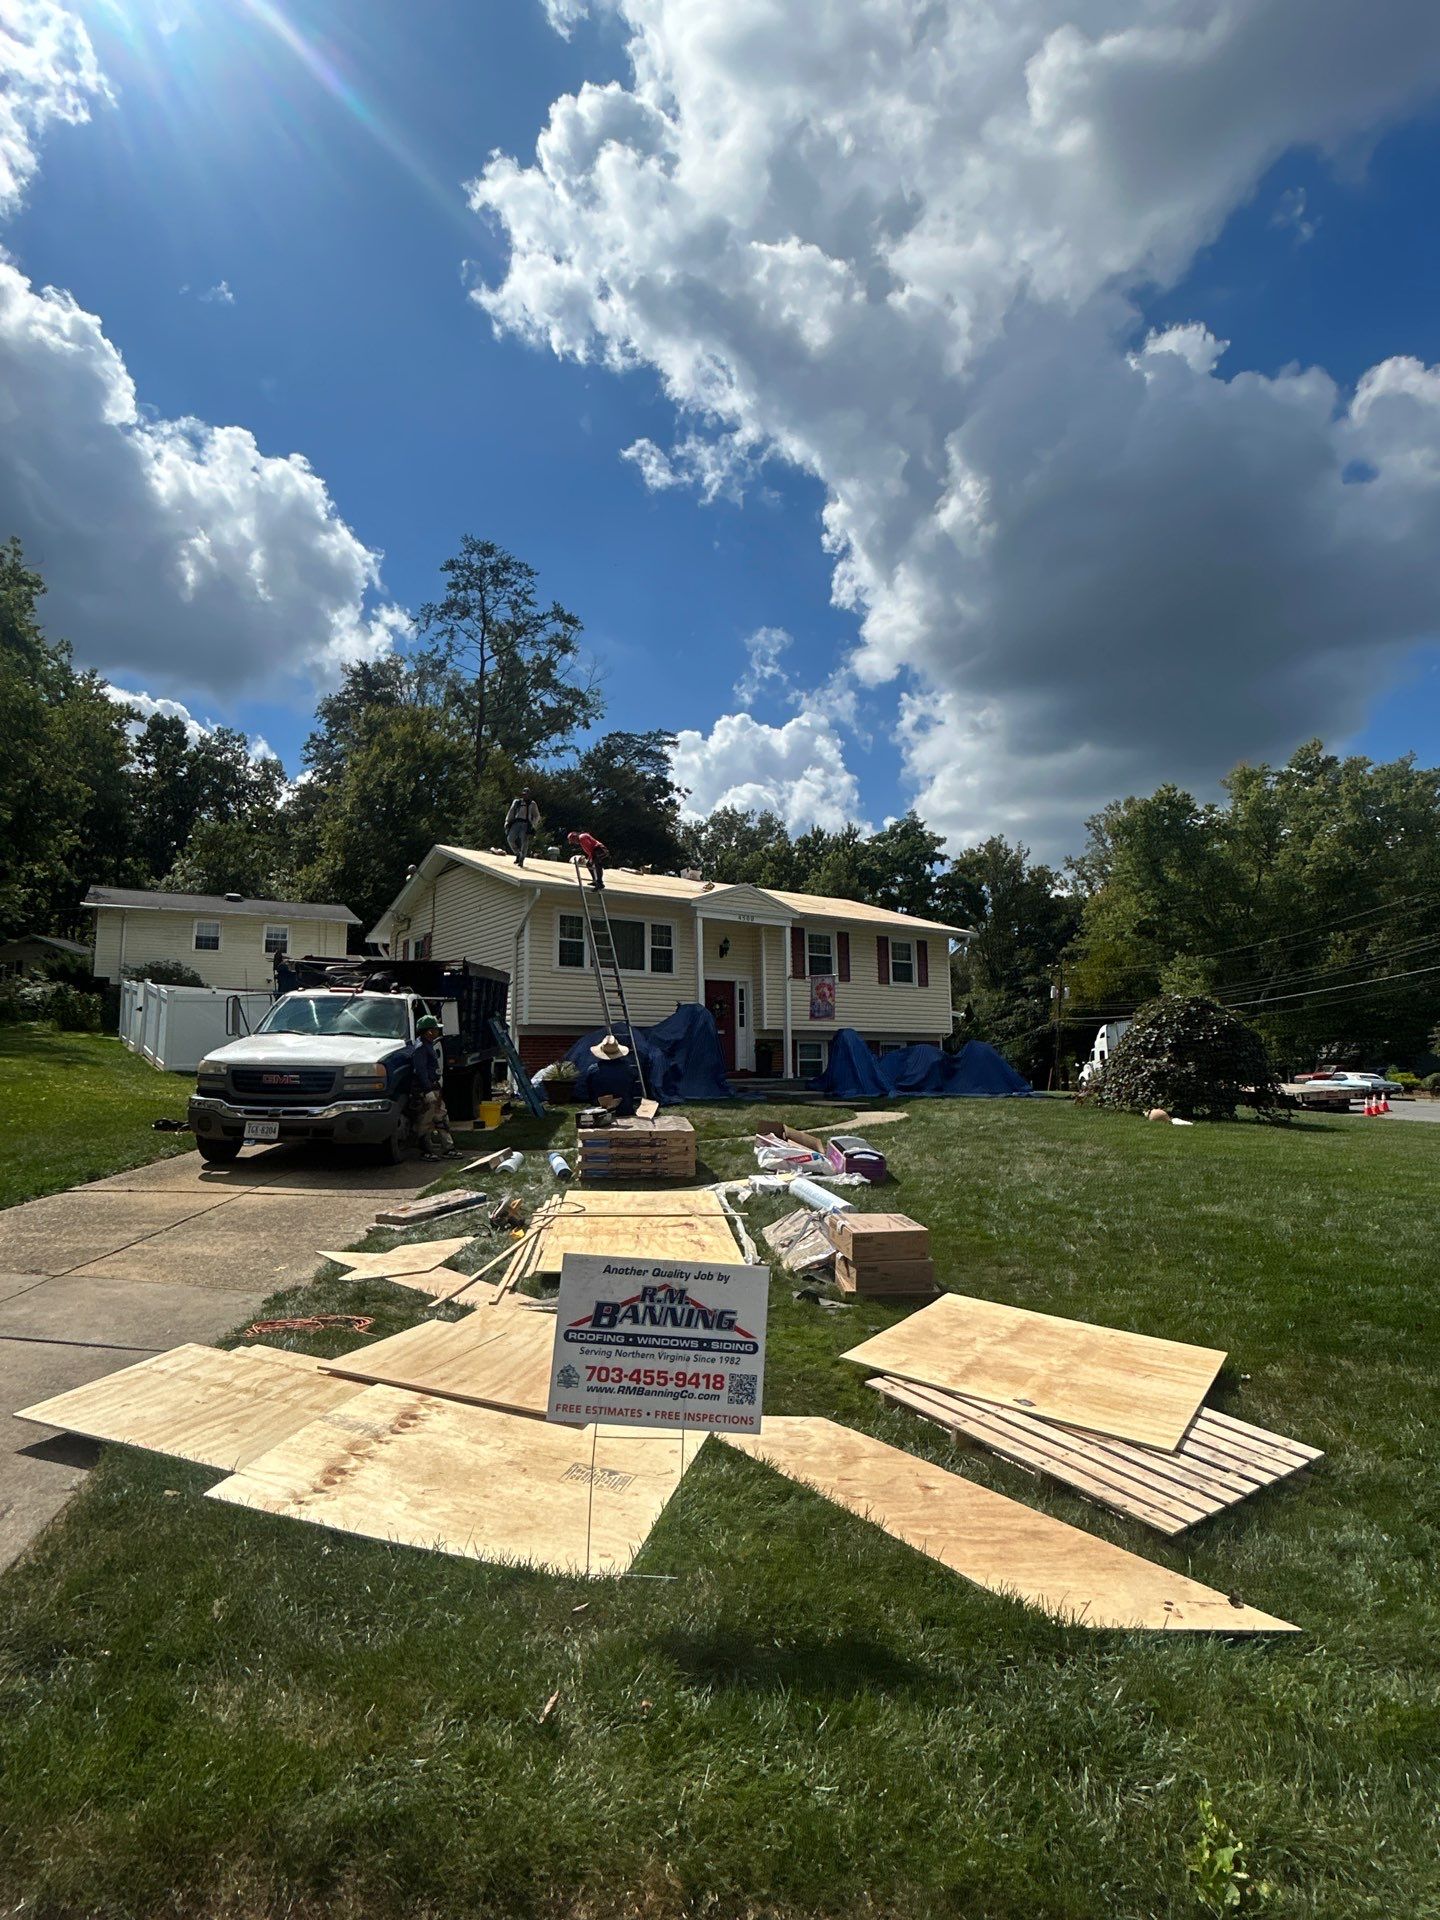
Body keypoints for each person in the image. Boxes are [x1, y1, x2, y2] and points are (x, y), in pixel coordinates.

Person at [410, 1013, 460, 1158]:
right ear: (428, 1031)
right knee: (426, 1121)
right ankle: (425, 1150)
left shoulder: (428, 1045)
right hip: (426, 1090)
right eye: (435, 1029)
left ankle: (448, 1149)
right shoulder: (420, 1048)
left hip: (434, 1088)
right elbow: (420, 1071)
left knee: (441, 1118)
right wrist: (427, 1091)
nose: (438, 1031)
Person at [505, 789, 541, 866]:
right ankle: (517, 854)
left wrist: (533, 824)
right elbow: (511, 812)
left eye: (527, 794)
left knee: (524, 842)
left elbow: (537, 815)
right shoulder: (517, 802)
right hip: (516, 822)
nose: (525, 796)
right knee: (510, 839)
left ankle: (521, 859)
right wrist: (507, 822)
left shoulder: (532, 803)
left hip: (526, 824)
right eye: (524, 794)